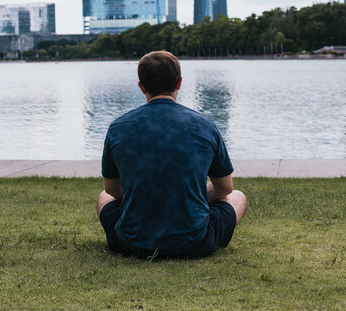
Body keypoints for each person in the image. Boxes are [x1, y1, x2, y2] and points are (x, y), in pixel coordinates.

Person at [97, 50, 247, 258]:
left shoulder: (118, 128)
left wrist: (147, 195)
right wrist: (184, 195)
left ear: (141, 86)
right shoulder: (205, 126)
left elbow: (112, 189)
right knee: (238, 196)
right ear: (179, 83)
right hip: (196, 242)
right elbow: (224, 189)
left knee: (103, 197)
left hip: (133, 242)